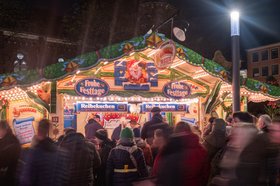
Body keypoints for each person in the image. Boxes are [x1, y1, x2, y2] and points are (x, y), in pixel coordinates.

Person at [211, 112, 262, 186]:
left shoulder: (254, 146)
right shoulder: (230, 141)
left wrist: (226, 182)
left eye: (235, 121)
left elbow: (250, 177)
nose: (232, 124)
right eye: (232, 121)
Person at [156, 122, 209, 186]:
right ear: (190, 130)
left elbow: (156, 171)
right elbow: (206, 174)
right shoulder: (201, 150)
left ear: (175, 131)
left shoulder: (168, 148)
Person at [20, 119, 69, 186]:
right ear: (49, 131)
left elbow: (26, 180)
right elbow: (65, 179)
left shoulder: (35, 153)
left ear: (38, 130)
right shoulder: (61, 153)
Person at [0, 121, 21, 186]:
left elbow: (3, 161)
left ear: (3, 129)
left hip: (5, 177)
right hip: (13, 174)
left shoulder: (5, 142)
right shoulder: (15, 139)